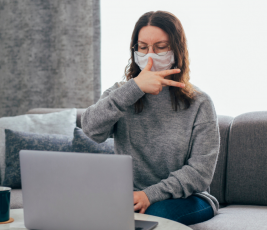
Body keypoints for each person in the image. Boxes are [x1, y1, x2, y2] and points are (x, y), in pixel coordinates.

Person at [81, 11, 220, 226]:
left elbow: (200, 173)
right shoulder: (123, 92)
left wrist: (149, 195)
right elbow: (91, 129)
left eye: (161, 47)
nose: (150, 55)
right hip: (129, 197)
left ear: (176, 49)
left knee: (154, 213)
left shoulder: (199, 103)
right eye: (143, 47)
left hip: (186, 198)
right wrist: (134, 88)